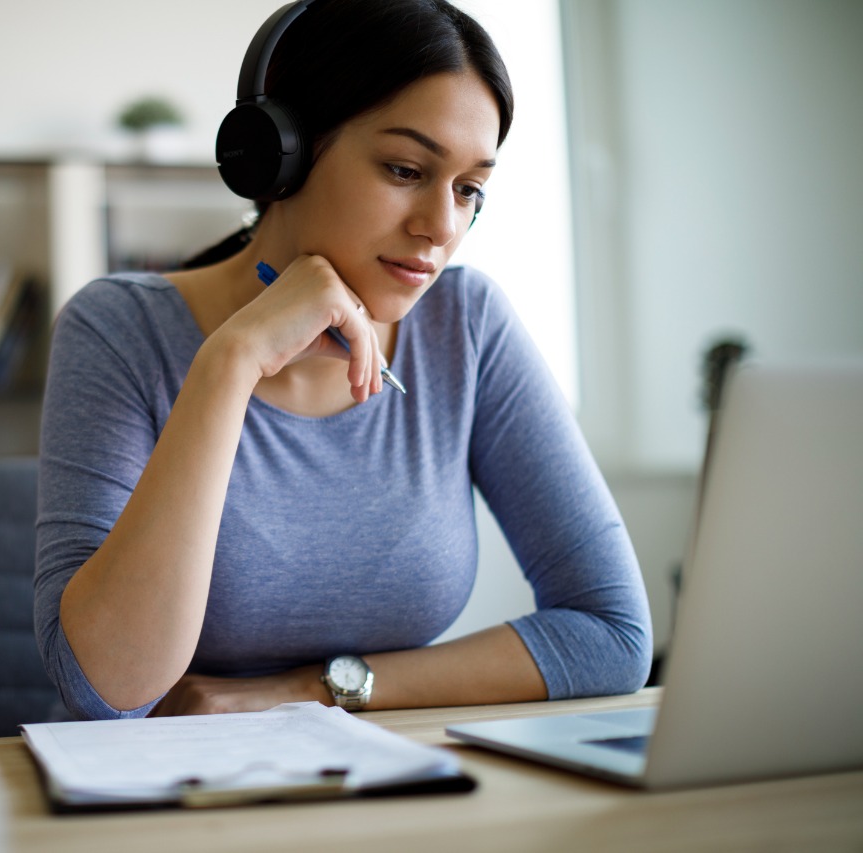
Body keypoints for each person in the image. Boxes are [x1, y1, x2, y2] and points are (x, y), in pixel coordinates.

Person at [35, 0, 652, 721]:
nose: (441, 227)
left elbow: (612, 634)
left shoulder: (468, 326)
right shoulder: (119, 328)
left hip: (389, 786)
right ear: (280, 155)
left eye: (469, 188)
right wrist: (230, 363)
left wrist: (311, 689)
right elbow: (105, 687)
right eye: (404, 168)